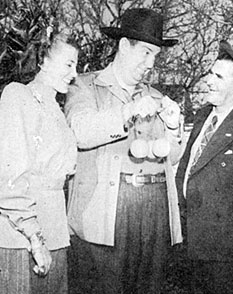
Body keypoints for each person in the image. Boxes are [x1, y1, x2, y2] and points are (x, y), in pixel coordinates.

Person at [64, 8, 183, 294]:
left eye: (155, 54)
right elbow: (80, 131)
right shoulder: (84, 86)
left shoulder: (156, 97)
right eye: (145, 52)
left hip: (154, 211)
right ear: (122, 46)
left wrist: (174, 127)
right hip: (106, 211)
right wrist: (127, 111)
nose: (151, 62)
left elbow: (174, 158)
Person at [175, 40, 233, 294]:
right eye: (210, 73)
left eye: (218, 76)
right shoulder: (203, 115)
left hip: (223, 250)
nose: (208, 81)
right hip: (188, 240)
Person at [0, 31, 78, 293]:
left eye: (76, 65)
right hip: (22, 236)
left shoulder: (55, 108)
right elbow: (9, 177)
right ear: (43, 59)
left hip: (55, 230)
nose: (74, 73)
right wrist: (35, 237)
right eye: (68, 64)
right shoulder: (17, 96)